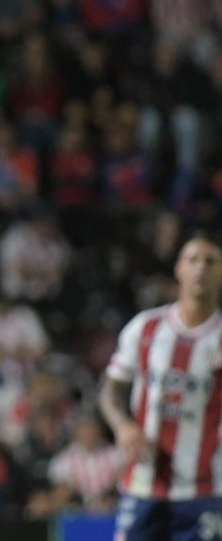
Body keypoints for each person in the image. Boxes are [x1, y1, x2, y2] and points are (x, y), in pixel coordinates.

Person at [99, 232, 222, 541]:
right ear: (178, 269)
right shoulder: (145, 328)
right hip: (143, 482)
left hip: (206, 487)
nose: (201, 268)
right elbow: (110, 391)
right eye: (192, 260)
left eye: (211, 261)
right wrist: (122, 426)